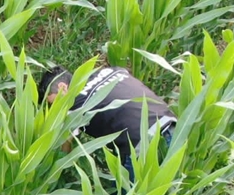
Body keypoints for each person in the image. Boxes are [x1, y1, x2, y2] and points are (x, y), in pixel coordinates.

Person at [39, 65, 176, 181]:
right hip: (174, 129)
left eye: (53, 103)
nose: (56, 110)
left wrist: (54, 177)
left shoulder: (72, 105)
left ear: (63, 87)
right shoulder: (112, 70)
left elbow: (66, 148)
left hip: (143, 144)